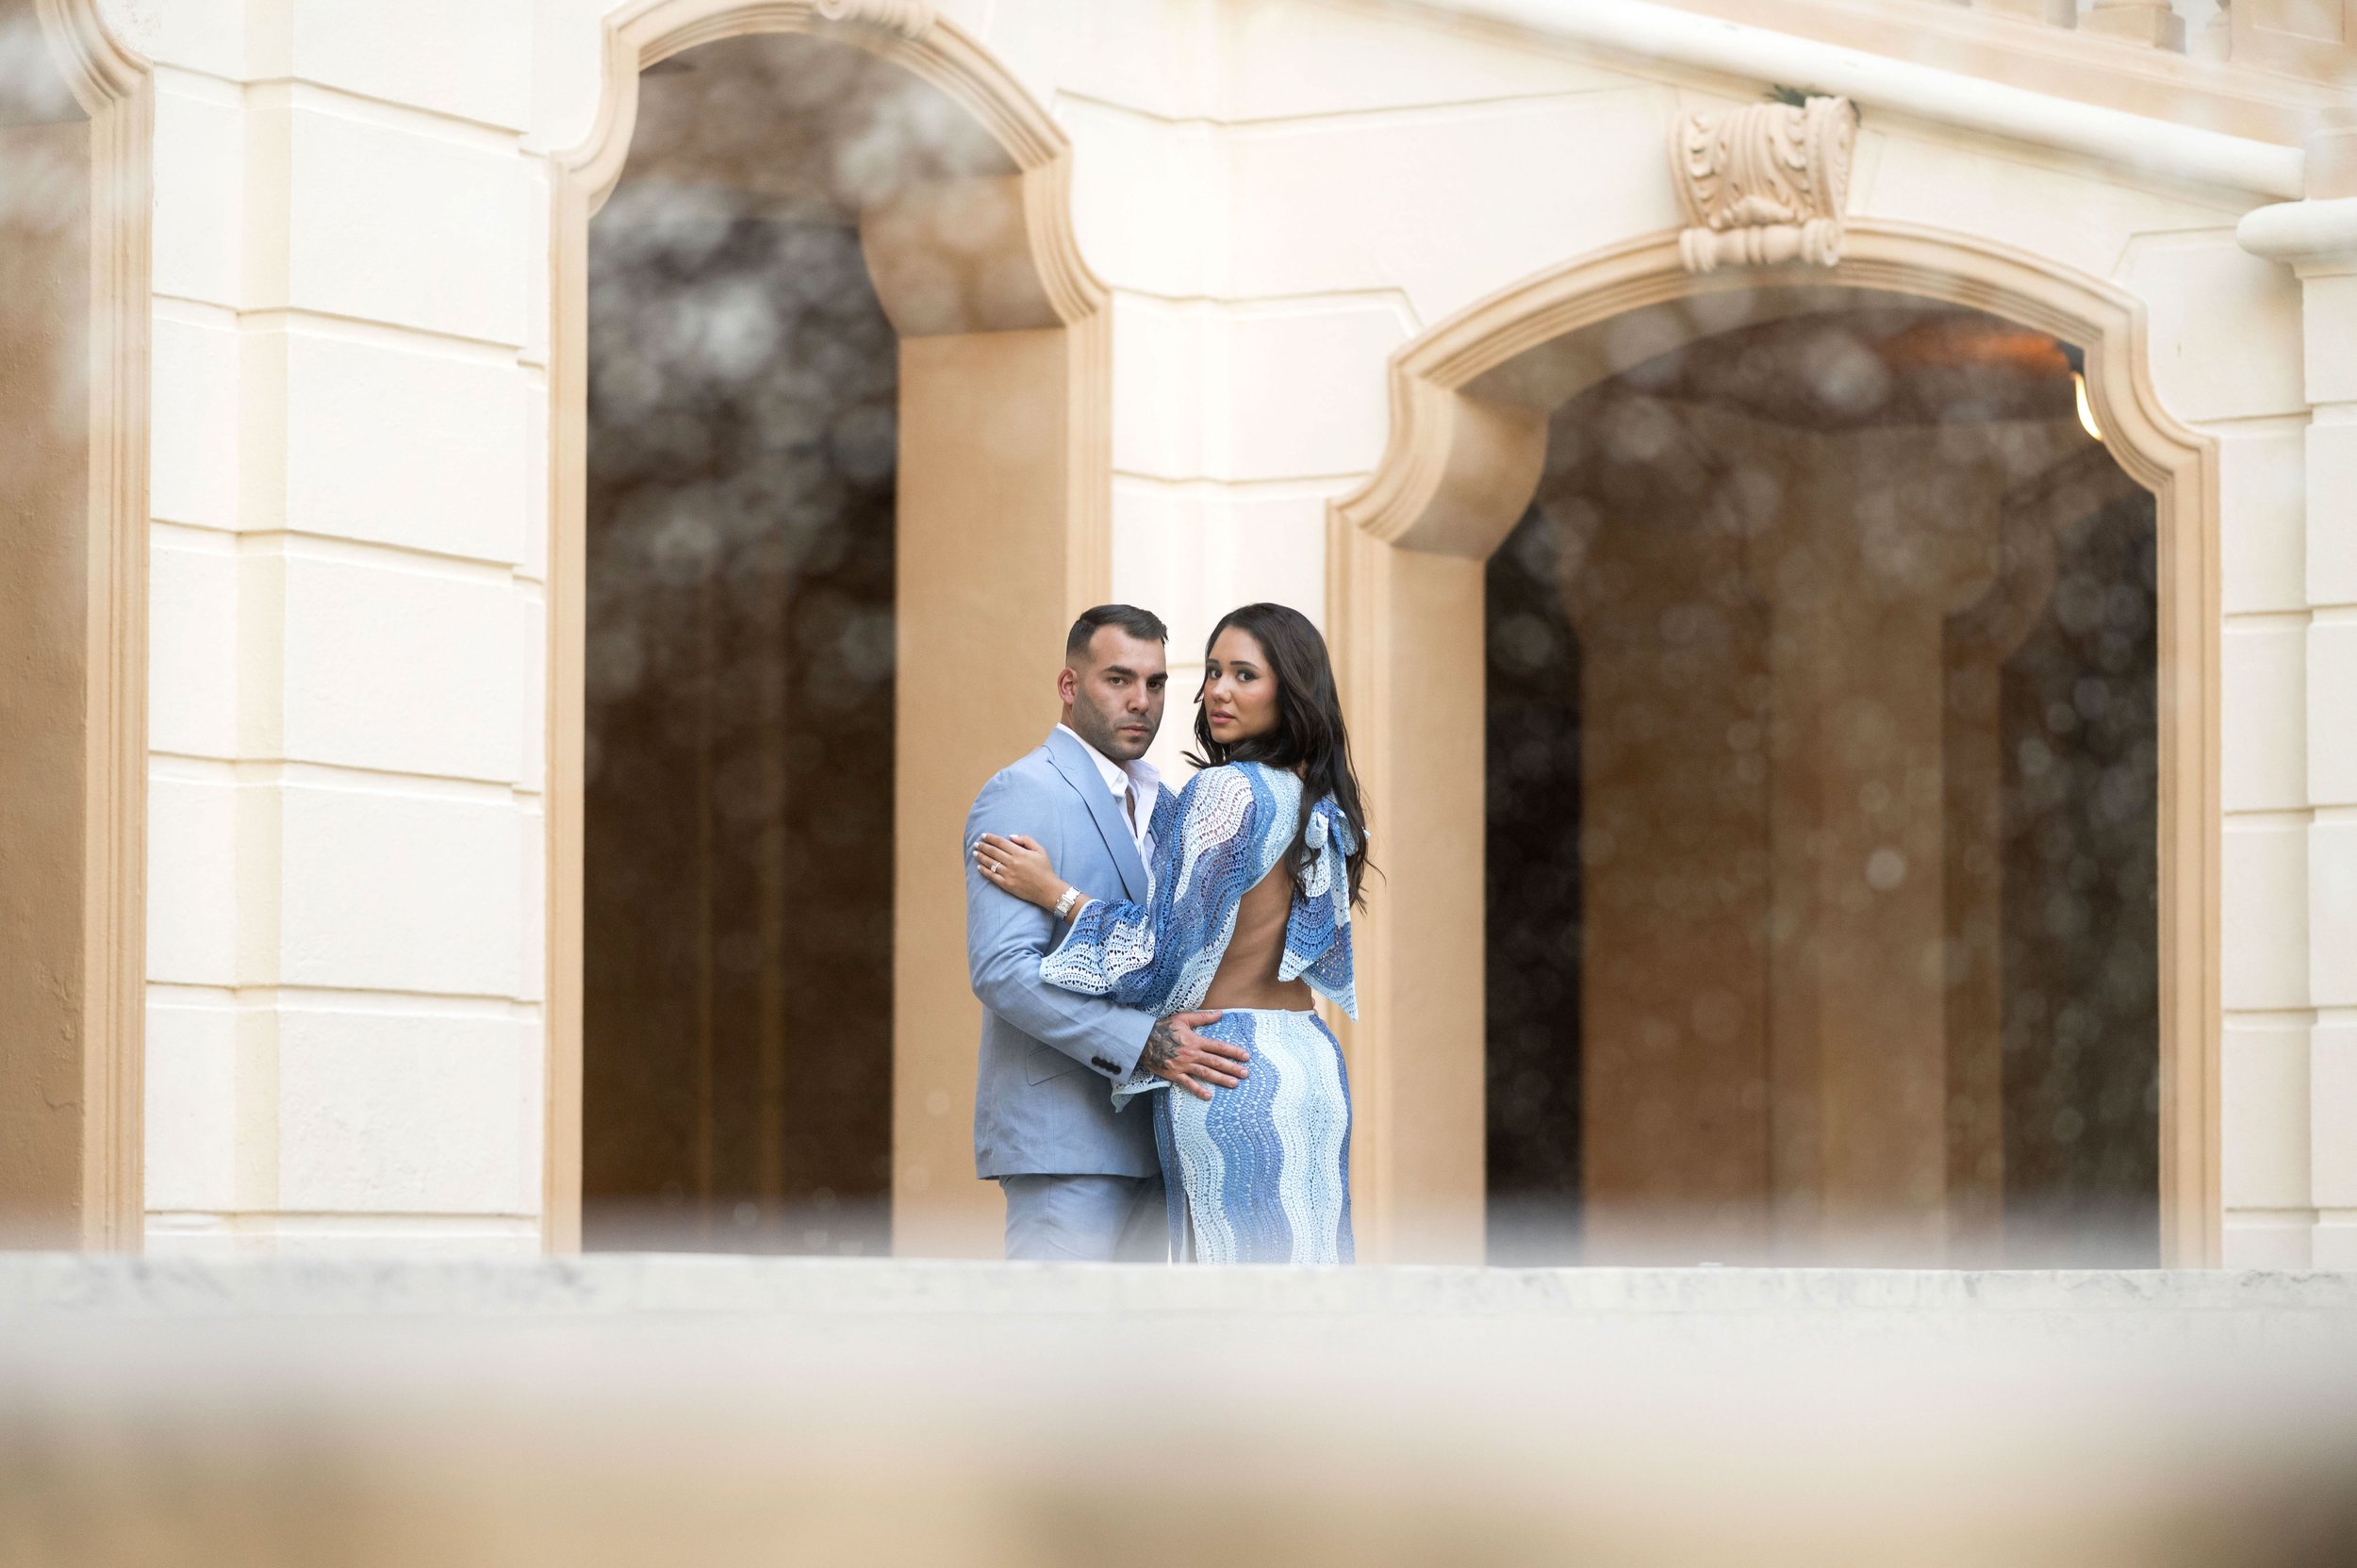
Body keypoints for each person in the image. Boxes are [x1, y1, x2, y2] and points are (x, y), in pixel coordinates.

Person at [975, 602, 1370, 1264]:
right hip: (1310, 1065)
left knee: (1225, 1317)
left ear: (1290, 689)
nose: (1216, 689)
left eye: (1245, 674)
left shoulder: (1217, 791)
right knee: (1304, 1306)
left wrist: (1058, 896)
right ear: (1071, 685)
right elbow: (1000, 969)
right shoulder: (1317, 802)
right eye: (1213, 671)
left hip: (1226, 1070)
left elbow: (1157, 957)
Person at [964, 604, 1251, 1263]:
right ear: (1070, 686)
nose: (1140, 702)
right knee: (1053, 1353)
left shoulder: (1169, 806)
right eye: (1118, 679)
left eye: (1155, 684)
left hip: (1163, 1140)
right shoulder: (1021, 793)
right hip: (1064, 1143)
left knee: (1134, 1363)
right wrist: (1142, 1043)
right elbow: (1003, 970)